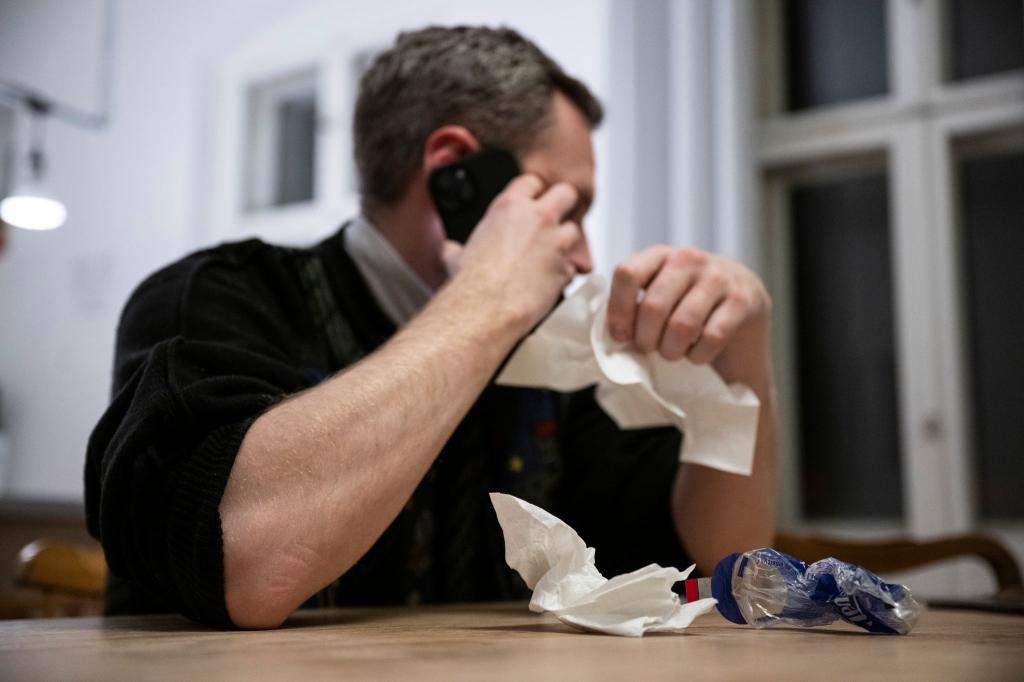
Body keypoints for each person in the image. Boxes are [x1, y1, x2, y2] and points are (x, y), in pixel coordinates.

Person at [85, 26, 776, 630]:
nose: (585, 256)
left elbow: (717, 563)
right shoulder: (213, 301)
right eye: (568, 209)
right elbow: (246, 564)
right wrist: (487, 299)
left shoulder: (555, 351)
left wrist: (740, 357)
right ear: (455, 173)